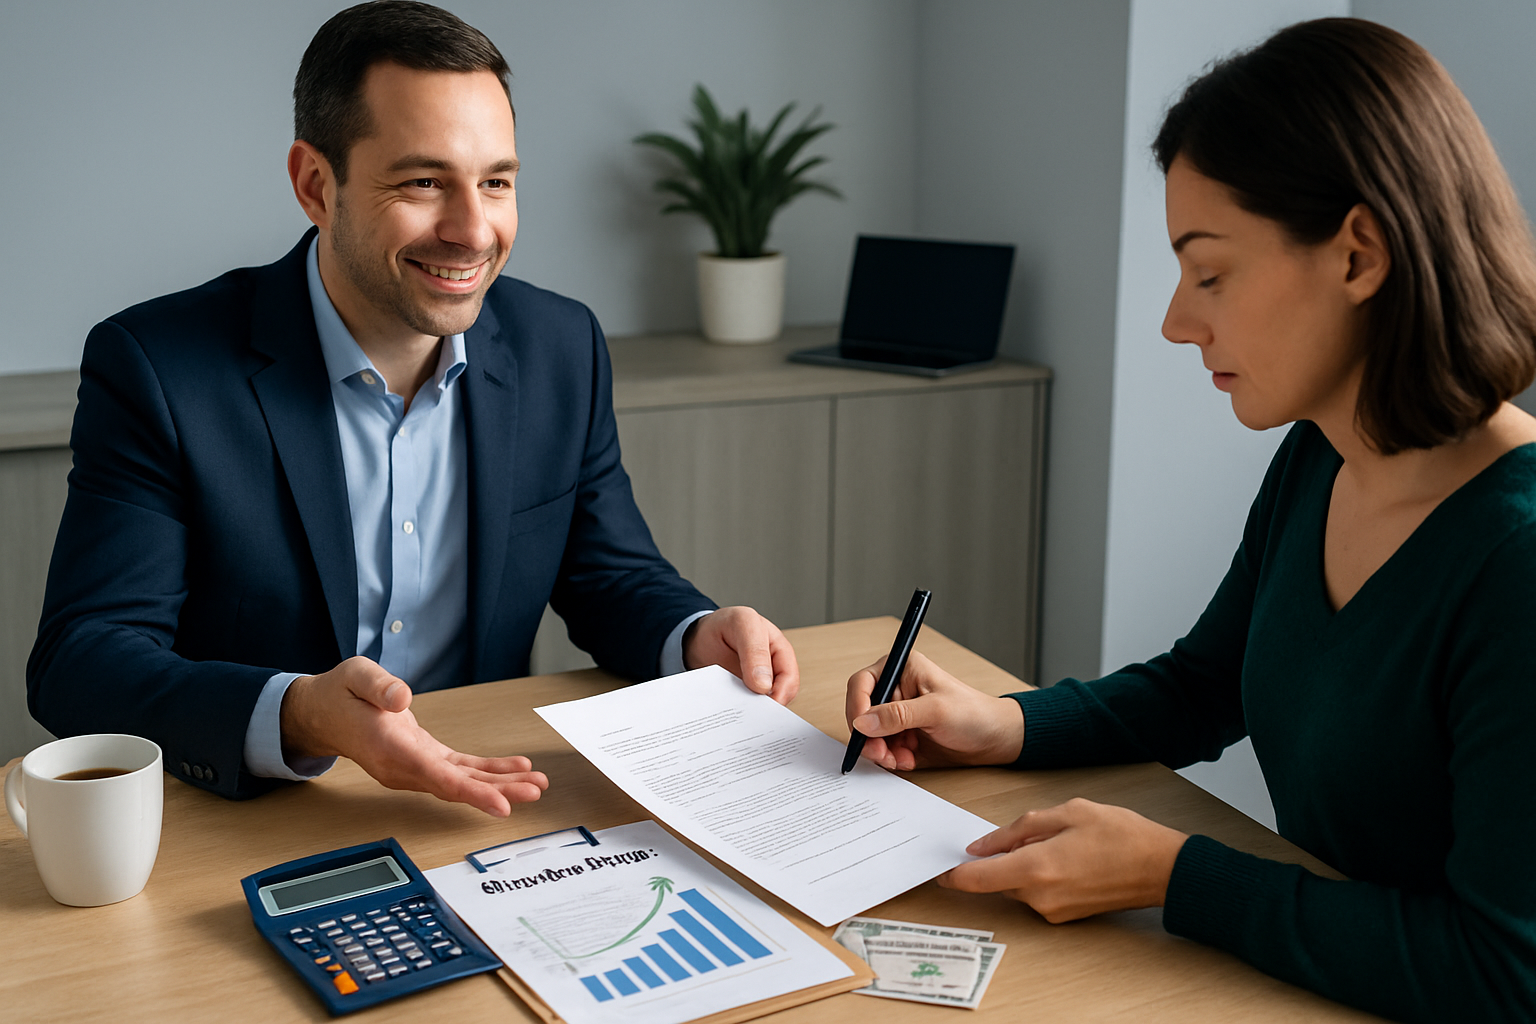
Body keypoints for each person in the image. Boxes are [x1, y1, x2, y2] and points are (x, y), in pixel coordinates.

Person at [844, 18, 1536, 1023]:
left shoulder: (1514, 559)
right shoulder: (1323, 455)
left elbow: (1502, 972)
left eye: (1210, 272)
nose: (1178, 319)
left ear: (1360, 254)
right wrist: (1003, 725)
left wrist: (1176, 876)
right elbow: (1207, 684)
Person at [27, 1, 798, 817]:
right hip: (263, 817)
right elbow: (83, 662)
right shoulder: (159, 367)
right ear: (315, 186)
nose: (473, 230)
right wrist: (296, 714)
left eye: (496, 182)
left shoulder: (558, 346)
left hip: (487, 800)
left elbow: (608, 574)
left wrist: (694, 635)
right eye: (425, 182)